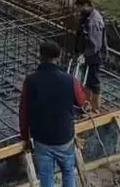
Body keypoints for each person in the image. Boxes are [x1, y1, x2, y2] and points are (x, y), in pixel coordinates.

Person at [19, 40, 86, 187]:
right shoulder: (70, 80)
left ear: (40, 56)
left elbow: (24, 112)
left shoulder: (30, 81)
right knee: (68, 172)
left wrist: (25, 137)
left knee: (46, 177)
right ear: (59, 56)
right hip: (64, 137)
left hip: (42, 139)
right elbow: (82, 102)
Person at [74, 0, 107, 113]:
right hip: (88, 54)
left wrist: (85, 55)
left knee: (94, 81)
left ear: (86, 5)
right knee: (87, 80)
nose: (78, 10)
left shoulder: (94, 22)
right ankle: (86, 104)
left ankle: (95, 108)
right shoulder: (86, 16)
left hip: (95, 56)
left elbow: (95, 45)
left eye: (79, 7)